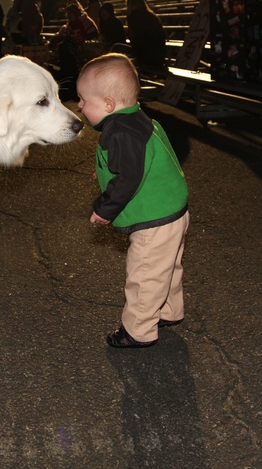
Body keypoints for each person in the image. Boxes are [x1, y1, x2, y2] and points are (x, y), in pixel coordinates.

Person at [76, 54, 189, 349]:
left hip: (155, 217)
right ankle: (169, 310)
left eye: (83, 100)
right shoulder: (134, 119)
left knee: (145, 272)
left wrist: (104, 208)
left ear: (109, 104)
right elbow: (134, 161)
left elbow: (128, 178)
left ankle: (138, 330)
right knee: (167, 266)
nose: (79, 106)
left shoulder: (121, 133)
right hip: (172, 209)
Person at [124, 0, 166, 75]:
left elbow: (136, 41)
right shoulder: (152, 16)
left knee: (117, 49)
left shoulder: (134, 18)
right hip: (158, 57)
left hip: (145, 57)